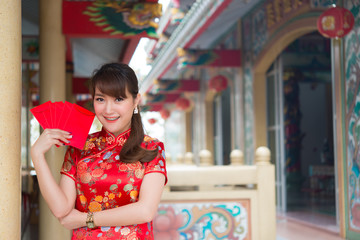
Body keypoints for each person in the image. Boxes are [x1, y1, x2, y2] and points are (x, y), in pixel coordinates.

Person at [31, 63, 167, 239]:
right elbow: (61, 210)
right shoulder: (80, 147)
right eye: (100, 99)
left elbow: (145, 211)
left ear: (135, 101)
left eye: (118, 99)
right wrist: (37, 155)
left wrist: (86, 219)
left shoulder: (151, 148)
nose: (108, 110)